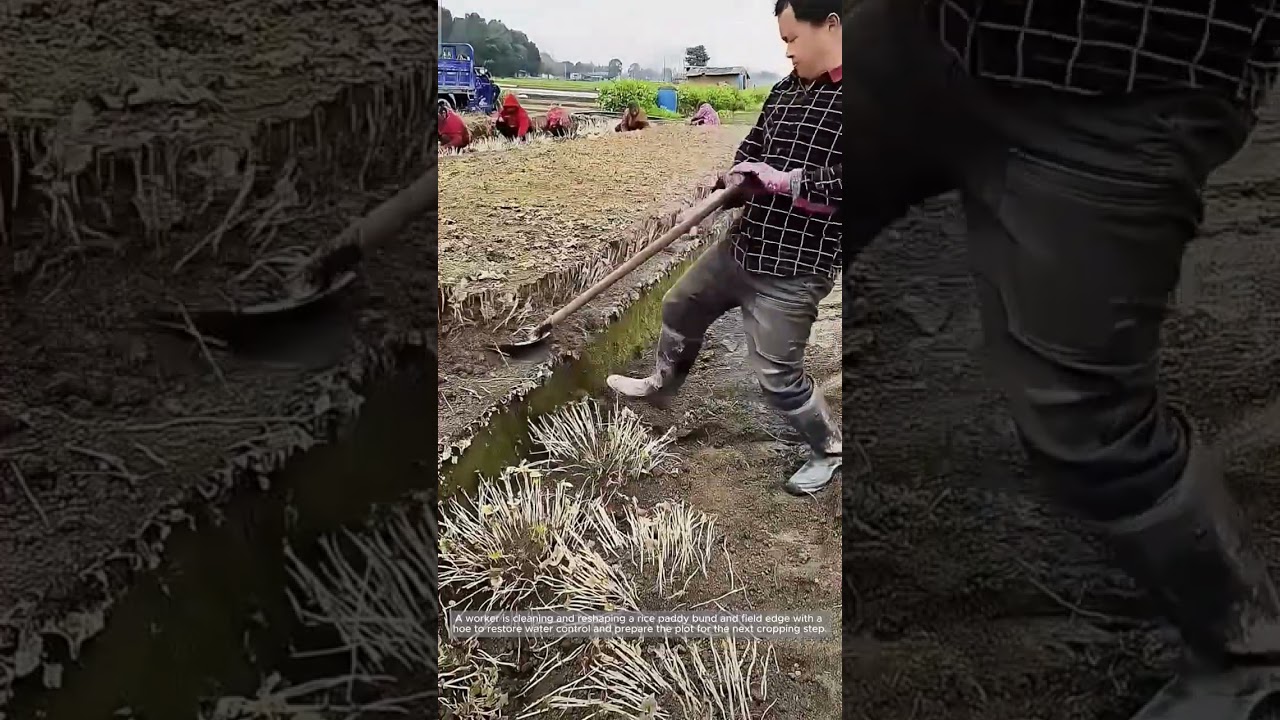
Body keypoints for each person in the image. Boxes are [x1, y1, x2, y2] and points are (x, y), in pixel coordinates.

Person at [845, 0, 1280, 716]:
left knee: (1087, 422)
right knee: (800, 204)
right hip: (928, 25)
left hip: (1127, 68)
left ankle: (1245, 654)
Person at [606, 0, 842, 496]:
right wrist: (727, 184)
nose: (787, 52)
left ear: (832, 27)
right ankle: (662, 387)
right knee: (680, 304)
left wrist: (787, 182)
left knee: (778, 375)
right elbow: (751, 151)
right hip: (746, 244)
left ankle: (828, 449)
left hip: (797, 266)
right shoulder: (784, 92)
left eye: (792, 39)